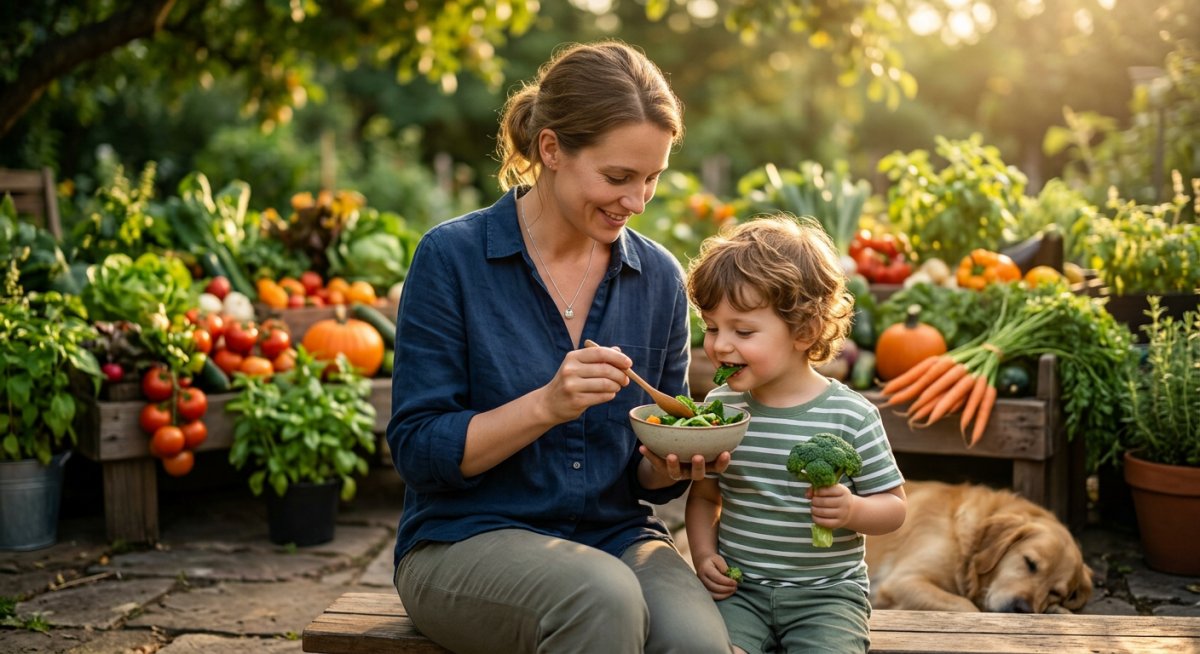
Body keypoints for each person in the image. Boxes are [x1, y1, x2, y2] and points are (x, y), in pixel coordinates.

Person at [386, 40, 733, 654]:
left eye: (652, 179)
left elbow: (648, 474)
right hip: (463, 538)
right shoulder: (452, 258)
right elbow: (418, 451)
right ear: (551, 149)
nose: (636, 202)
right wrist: (545, 406)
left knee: (698, 644)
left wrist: (672, 460)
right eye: (617, 177)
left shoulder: (656, 277)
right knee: (601, 598)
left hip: (616, 535)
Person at [683, 215, 908, 654]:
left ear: (804, 332)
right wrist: (704, 554)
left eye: (743, 331)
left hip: (827, 597)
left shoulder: (851, 415)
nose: (720, 345)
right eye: (711, 327)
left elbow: (895, 508)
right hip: (741, 591)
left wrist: (852, 510)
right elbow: (706, 496)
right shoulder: (720, 409)